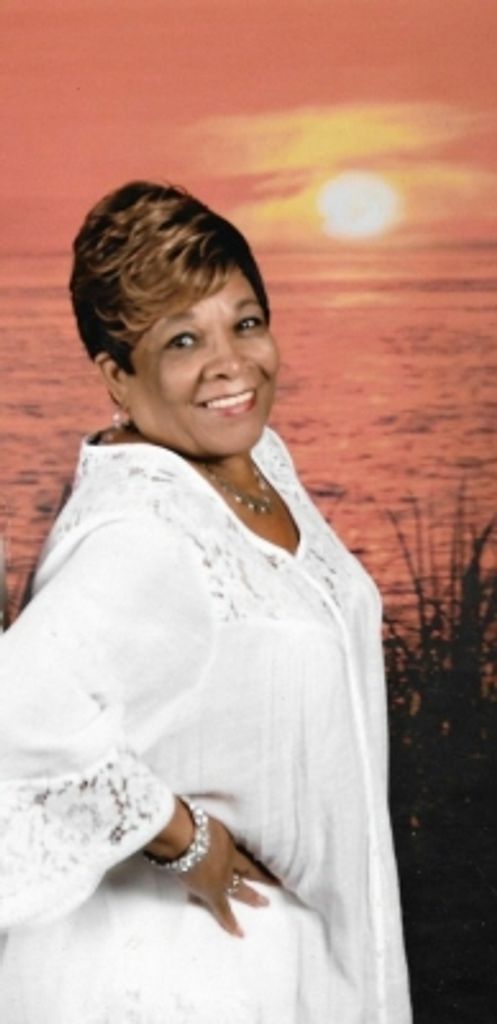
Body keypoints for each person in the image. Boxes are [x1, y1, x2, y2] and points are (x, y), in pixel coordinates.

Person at [0, 180, 412, 1023]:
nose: (231, 364)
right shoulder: (142, 528)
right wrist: (181, 837)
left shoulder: (250, 464)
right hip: (185, 975)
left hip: (275, 956)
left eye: (245, 323)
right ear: (117, 376)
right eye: (183, 340)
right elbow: (16, 715)